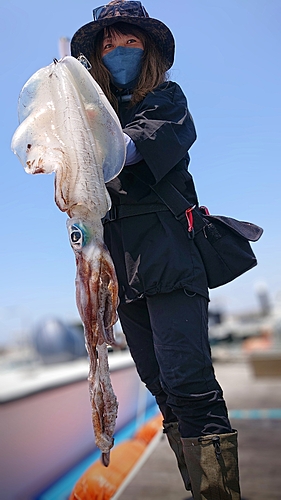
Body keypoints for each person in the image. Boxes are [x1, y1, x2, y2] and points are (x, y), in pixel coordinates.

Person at [71, 1, 241, 498]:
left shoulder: (166, 99)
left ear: (147, 51)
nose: (116, 50)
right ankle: (199, 488)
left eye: (128, 41)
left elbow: (123, 152)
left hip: (170, 257)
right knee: (160, 386)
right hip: (121, 273)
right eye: (107, 44)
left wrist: (80, 130)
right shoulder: (96, 116)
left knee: (189, 382)